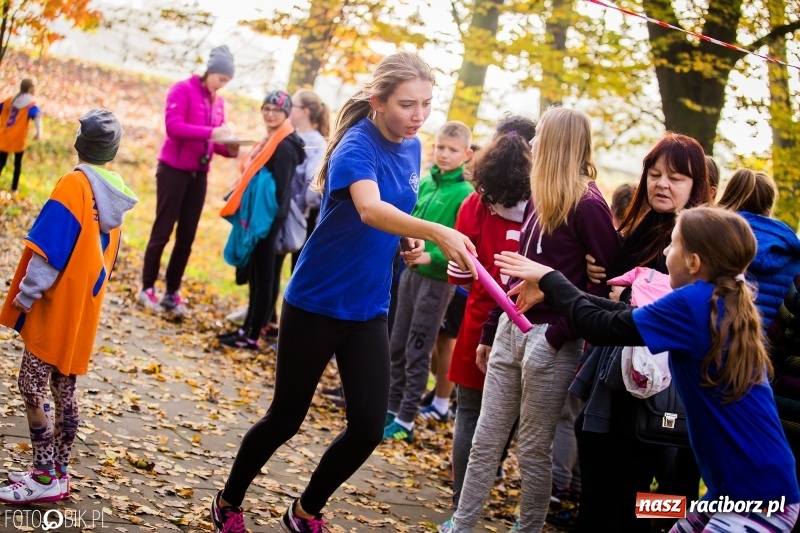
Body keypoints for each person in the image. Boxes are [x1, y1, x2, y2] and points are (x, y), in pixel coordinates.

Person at [208, 52, 477, 533]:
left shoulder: (411, 146)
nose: (419, 116)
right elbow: (371, 209)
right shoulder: (358, 144)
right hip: (317, 301)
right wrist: (436, 231)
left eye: (426, 105)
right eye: (407, 105)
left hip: (369, 307)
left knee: (369, 427)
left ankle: (304, 510)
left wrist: (408, 237)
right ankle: (228, 500)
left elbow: (391, 212)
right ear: (377, 102)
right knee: (286, 418)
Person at [496, 206, 800, 533]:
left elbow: (603, 327)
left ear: (694, 263)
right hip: (746, 489)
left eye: (673, 245)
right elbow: (620, 315)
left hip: (759, 500)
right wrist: (556, 292)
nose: (666, 252)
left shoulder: (696, 303)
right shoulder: (714, 299)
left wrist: (551, 278)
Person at [450, 107, 620, 532]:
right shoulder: (537, 194)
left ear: (559, 142)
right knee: (486, 440)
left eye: (540, 135)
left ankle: (527, 527)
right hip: (510, 328)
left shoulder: (589, 204)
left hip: (553, 339)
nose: (532, 144)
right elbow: (514, 270)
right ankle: (462, 524)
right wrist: (491, 330)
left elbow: (606, 286)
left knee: (532, 449)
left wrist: (558, 335)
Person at [0, 109, 137, 504]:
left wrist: (26, 293)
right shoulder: (115, 190)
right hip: (83, 304)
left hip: (55, 299)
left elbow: (50, 250)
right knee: (64, 384)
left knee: (31, 382)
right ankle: (58, 473)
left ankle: (43, 477)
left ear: (80, 142)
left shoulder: (73, 185)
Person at [582, 133, 709, 532]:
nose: (662, 184)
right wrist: (599, 273)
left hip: (667, 391)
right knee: (608, 481)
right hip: (620, 379)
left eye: (675, 178)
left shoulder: (698, 238)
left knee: (656, 492)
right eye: (654, 174)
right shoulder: (640, 226)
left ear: (696, 185)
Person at [437, 115, 536, 533]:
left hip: (481, 321)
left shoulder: (475, 203)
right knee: (514, 416)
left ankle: (463, 506)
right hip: (535, 324)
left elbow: (458, 274)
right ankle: (500, 486)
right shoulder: (547, 204)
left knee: (470, 415)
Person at [383, 120, 474, 441]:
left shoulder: (465, 194)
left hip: (437, 281)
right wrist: (407, 246)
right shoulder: (425, 182)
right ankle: (391, 409)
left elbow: (461, 244)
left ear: (467, 155)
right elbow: (410, 221)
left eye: (452, 150)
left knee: (418, 347)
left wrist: (431, 256)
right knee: (396, 343)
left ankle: (406, 419)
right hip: (409, 273)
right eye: (439, 147)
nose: (444, 155)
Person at [138, 45, 239, 316]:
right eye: (221, 78)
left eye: (227, 81)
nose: (222, 85)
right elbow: (174, 127)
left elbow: (213, 141)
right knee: (163, 230)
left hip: (199, 175)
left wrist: (230, 147)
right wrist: (212, 133)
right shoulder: (182, 90)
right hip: (173, 170)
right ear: (211, 71)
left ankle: (172, 290)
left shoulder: (218, 102)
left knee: (187, 236)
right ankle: (147, 286)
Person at [216, 91, 306, 350]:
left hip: (267, 223)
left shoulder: (285, 145)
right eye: (266, 108)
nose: (270, 114)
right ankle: (248, 328)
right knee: (257, 276)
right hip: (257, 219)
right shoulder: (270, 140)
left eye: (276, 110)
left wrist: (266, 227)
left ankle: (253, 333)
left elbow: (280, 190)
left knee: (264, 278)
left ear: (286, 114)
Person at [717, 168, 800, 326]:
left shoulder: (713, 240)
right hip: (770, 348)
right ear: (769, 208)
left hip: (716, 342)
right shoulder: (793, 254)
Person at [0, 78, 42, 191]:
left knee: (1, 162)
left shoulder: (10, 100)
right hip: (18, 138)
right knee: (17, 164)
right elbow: (37, 116)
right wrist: (38, 132)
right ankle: (14, 189)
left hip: (4, 136)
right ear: (30, 89)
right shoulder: (31, 104)